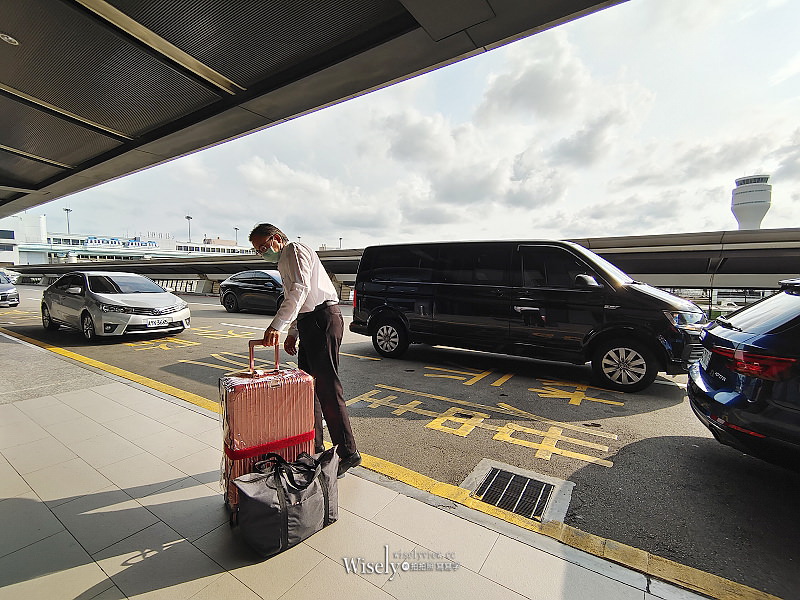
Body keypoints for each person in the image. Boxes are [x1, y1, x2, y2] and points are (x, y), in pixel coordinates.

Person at [249, 223, 361, 477]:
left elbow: (301, 289)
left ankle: (348, 452)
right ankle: (314, 446)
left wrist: (278, 325)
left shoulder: (294, 250)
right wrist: (293, 333)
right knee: (308, 388)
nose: (262, 252)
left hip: (323, 318)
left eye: (264, 246)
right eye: (257, 250)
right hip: (310, 321)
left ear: (277, 238)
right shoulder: (282, 261)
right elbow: (299, 301)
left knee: (327, 387)